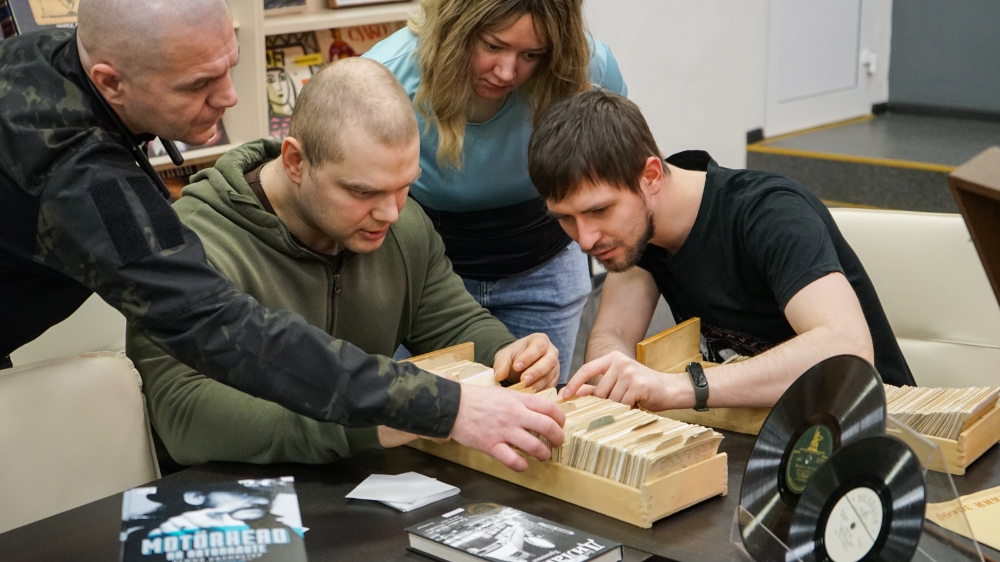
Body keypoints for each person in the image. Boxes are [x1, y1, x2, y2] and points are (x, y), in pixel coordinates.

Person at [0, 0, 564, 472]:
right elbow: (219, 331)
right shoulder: (78, 175)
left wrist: (503, 359)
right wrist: (436, 407)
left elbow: (454, 322)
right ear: (110, 82)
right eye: (198, 84)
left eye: (229, 67)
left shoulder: (52, 60)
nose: (230, 98)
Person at [127, 58, 560, 466]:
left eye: (404, 186)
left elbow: (454, 323)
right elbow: (185, 416)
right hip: (229, 497)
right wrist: (387, 416)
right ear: (295, 162)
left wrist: (512, 356)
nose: (391, 213)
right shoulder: (186, 246)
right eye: (363, 192)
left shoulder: (403, 226)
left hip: (367, 483)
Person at [527, 90, 915, 411]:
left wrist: (679, 387)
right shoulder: (636, 231)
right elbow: (612, 333)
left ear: (651, 176)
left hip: (874, 429)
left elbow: (847, 348)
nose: (585, 240)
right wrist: (613, 380)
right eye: (566, 218)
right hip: (760, 427)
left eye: (599, 211)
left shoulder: (769, 213)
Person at [364, 0, 628, 383]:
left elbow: (628, 184)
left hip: (544, 272)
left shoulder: (587, 68)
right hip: (424, 284)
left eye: (531, 55)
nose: (507, 72)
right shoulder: (385, 77)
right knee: (420, 414)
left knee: (534, 410)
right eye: (492, 45)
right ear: (455, 29)